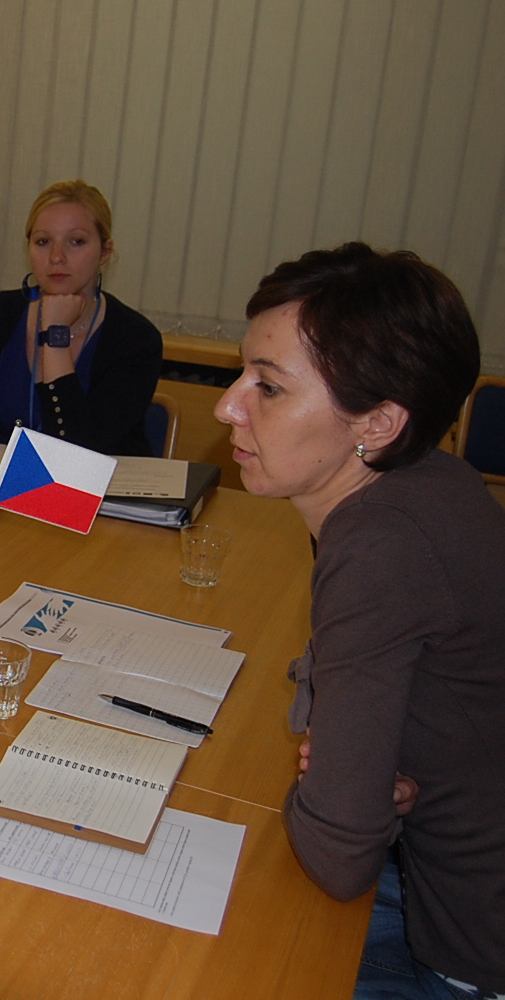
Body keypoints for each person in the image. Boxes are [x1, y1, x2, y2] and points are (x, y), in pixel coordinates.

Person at [214, 243, 504, 1000]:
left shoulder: (381, 544)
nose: (227, 406)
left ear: (377, 422)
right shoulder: (435, 483)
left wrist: (347, 792)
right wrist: (366, 779)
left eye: (268, 387)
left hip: (465, 950)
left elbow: (339, 854)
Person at [0, 180, 161, 464]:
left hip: (99, 489)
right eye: (43, 242)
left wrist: (55, 334)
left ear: (104, 252)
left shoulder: (136, 339)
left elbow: (78, 453)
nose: (56, 257)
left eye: (76, 241)